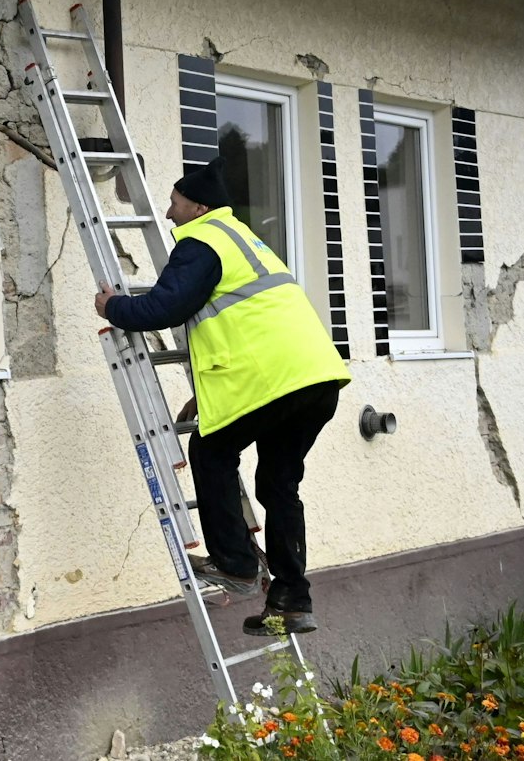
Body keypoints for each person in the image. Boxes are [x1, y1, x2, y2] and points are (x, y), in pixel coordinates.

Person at [93, 156, 348, 636]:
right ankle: (292, 600)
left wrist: (114, 306)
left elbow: (165, 307)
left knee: (210, 451)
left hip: (272, 382)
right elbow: (245, 325)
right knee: (277, 486)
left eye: (175, 203)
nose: (168, 213)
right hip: (314, 379)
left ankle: (235, 564)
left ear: (198, 206)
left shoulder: (202, 241)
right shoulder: (245, 239)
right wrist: (208, 396)